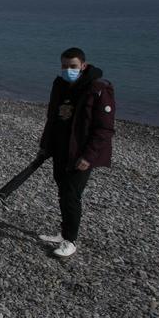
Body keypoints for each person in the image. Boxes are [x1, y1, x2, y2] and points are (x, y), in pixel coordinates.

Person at [37, 47, 114, 257]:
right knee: (63, 191)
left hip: (81, 153)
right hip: (61, 147)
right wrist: (45, 145)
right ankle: (64, 233)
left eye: (73, 66)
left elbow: (104, 129)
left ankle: (70, 241)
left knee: (72, 195)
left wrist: (88, 156)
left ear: (83, 66)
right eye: (64, 66)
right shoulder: (61, 85)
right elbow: (52, 117)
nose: (68, 70)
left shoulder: (98, 89)